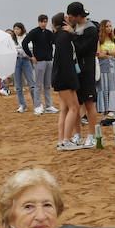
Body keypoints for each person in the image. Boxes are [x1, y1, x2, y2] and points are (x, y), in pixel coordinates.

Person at [68, 2, 100, 149]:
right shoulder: (74, 26)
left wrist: (72, 35)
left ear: (78, 16)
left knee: (89, 104)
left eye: (71, 16)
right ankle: (77, 135)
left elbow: (82, 48)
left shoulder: (91, 30)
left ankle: (92, 136)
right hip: (75, 71)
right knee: (75, 104)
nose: (69, 18)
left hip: (87, 71)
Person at [50, 12, 83, 150]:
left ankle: (61, 140)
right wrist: (72, 81)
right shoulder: (64, 37)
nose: (70, 18)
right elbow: (66, 61)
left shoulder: (58, 36)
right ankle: (66, 140)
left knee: (64, 109)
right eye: (66, 17)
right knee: (74, 108)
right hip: (64, 77)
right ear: (64, 22)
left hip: (60, 76)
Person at [21, 14, 57, 115]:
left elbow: (55, 41)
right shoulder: (34, 32)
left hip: (49, 60)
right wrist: (31, 56)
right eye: (42, 21)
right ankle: (37, 106)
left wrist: (54, 30)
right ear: (38, 22)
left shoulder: (50, 33)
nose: (43, 23)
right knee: (38, 85)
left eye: (45, 21)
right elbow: (24, 43)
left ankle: (49, 106)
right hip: (39, 61)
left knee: (47, 85)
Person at [11, 22, 37, 113]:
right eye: (15, 29)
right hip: (16, 61)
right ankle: (22, 105)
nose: (16, 31)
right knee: (18, 86)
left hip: (26, 60)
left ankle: (36, 104)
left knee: (31, 84)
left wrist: (20, 49)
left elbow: (30, 48)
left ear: (22, 29)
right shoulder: (12, 39)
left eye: (18, 29)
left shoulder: (26, 37)